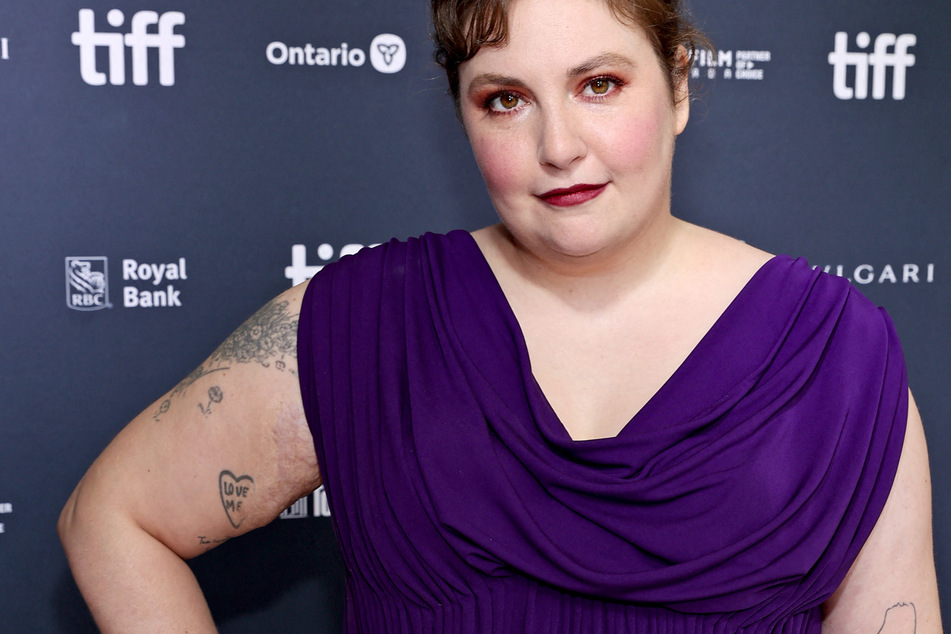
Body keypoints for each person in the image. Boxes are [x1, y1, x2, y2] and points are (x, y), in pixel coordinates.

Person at [58, 0, 941, 631]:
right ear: (461, 112)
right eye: (504, 99)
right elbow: (112, 517)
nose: (557, 146)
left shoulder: (836, 356)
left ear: (676, 86)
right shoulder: (364, 324)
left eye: (598, 83)